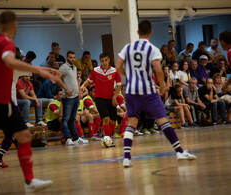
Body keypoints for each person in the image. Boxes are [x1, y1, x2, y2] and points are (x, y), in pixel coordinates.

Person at [0, 11, 54, 192]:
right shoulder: (6, 43)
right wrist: (40, 71)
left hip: (2, 102)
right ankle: (29, 181)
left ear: (0, 25)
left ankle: (30, 181)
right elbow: (9, 61)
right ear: (15, 26)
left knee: (23, 136)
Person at [115, 20, 197, 167]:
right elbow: (159, 70)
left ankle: (126, 157)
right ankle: (179, 151)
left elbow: (118, 66)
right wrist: (163, 84)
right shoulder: (152, 49)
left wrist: (129, 75)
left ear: (138, 32)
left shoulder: (128, 47)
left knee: (132, 121)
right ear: (151, 32)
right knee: (162, 120)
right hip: (147, 90)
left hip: (131, 91)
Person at [80, 52, 122, 147]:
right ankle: (108, 139)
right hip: (99, 98)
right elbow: (89, 81)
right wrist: (83, 85)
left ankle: (109, 135)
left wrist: (115, 97)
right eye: (102, 61)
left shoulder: (115, 71)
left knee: (112, 120)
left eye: (106, 60)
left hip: (111, 98)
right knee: (105, 118)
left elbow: (119, 86)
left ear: (109, 60)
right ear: (100, 61)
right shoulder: (96, 70)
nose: (104, 62)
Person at [55, 50, 89, 146]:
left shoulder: (74, 68)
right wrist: (65, 89)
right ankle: (67, 138)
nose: (72, 59)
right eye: (70, 57)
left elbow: (73, 81)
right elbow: (57, 78)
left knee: (72, 119)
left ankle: (76, 138)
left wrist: (78, 92)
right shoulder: (64, 67)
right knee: (65, 119)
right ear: (66, 58)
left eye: (74, 57)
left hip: (75, 96)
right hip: (68, 97)